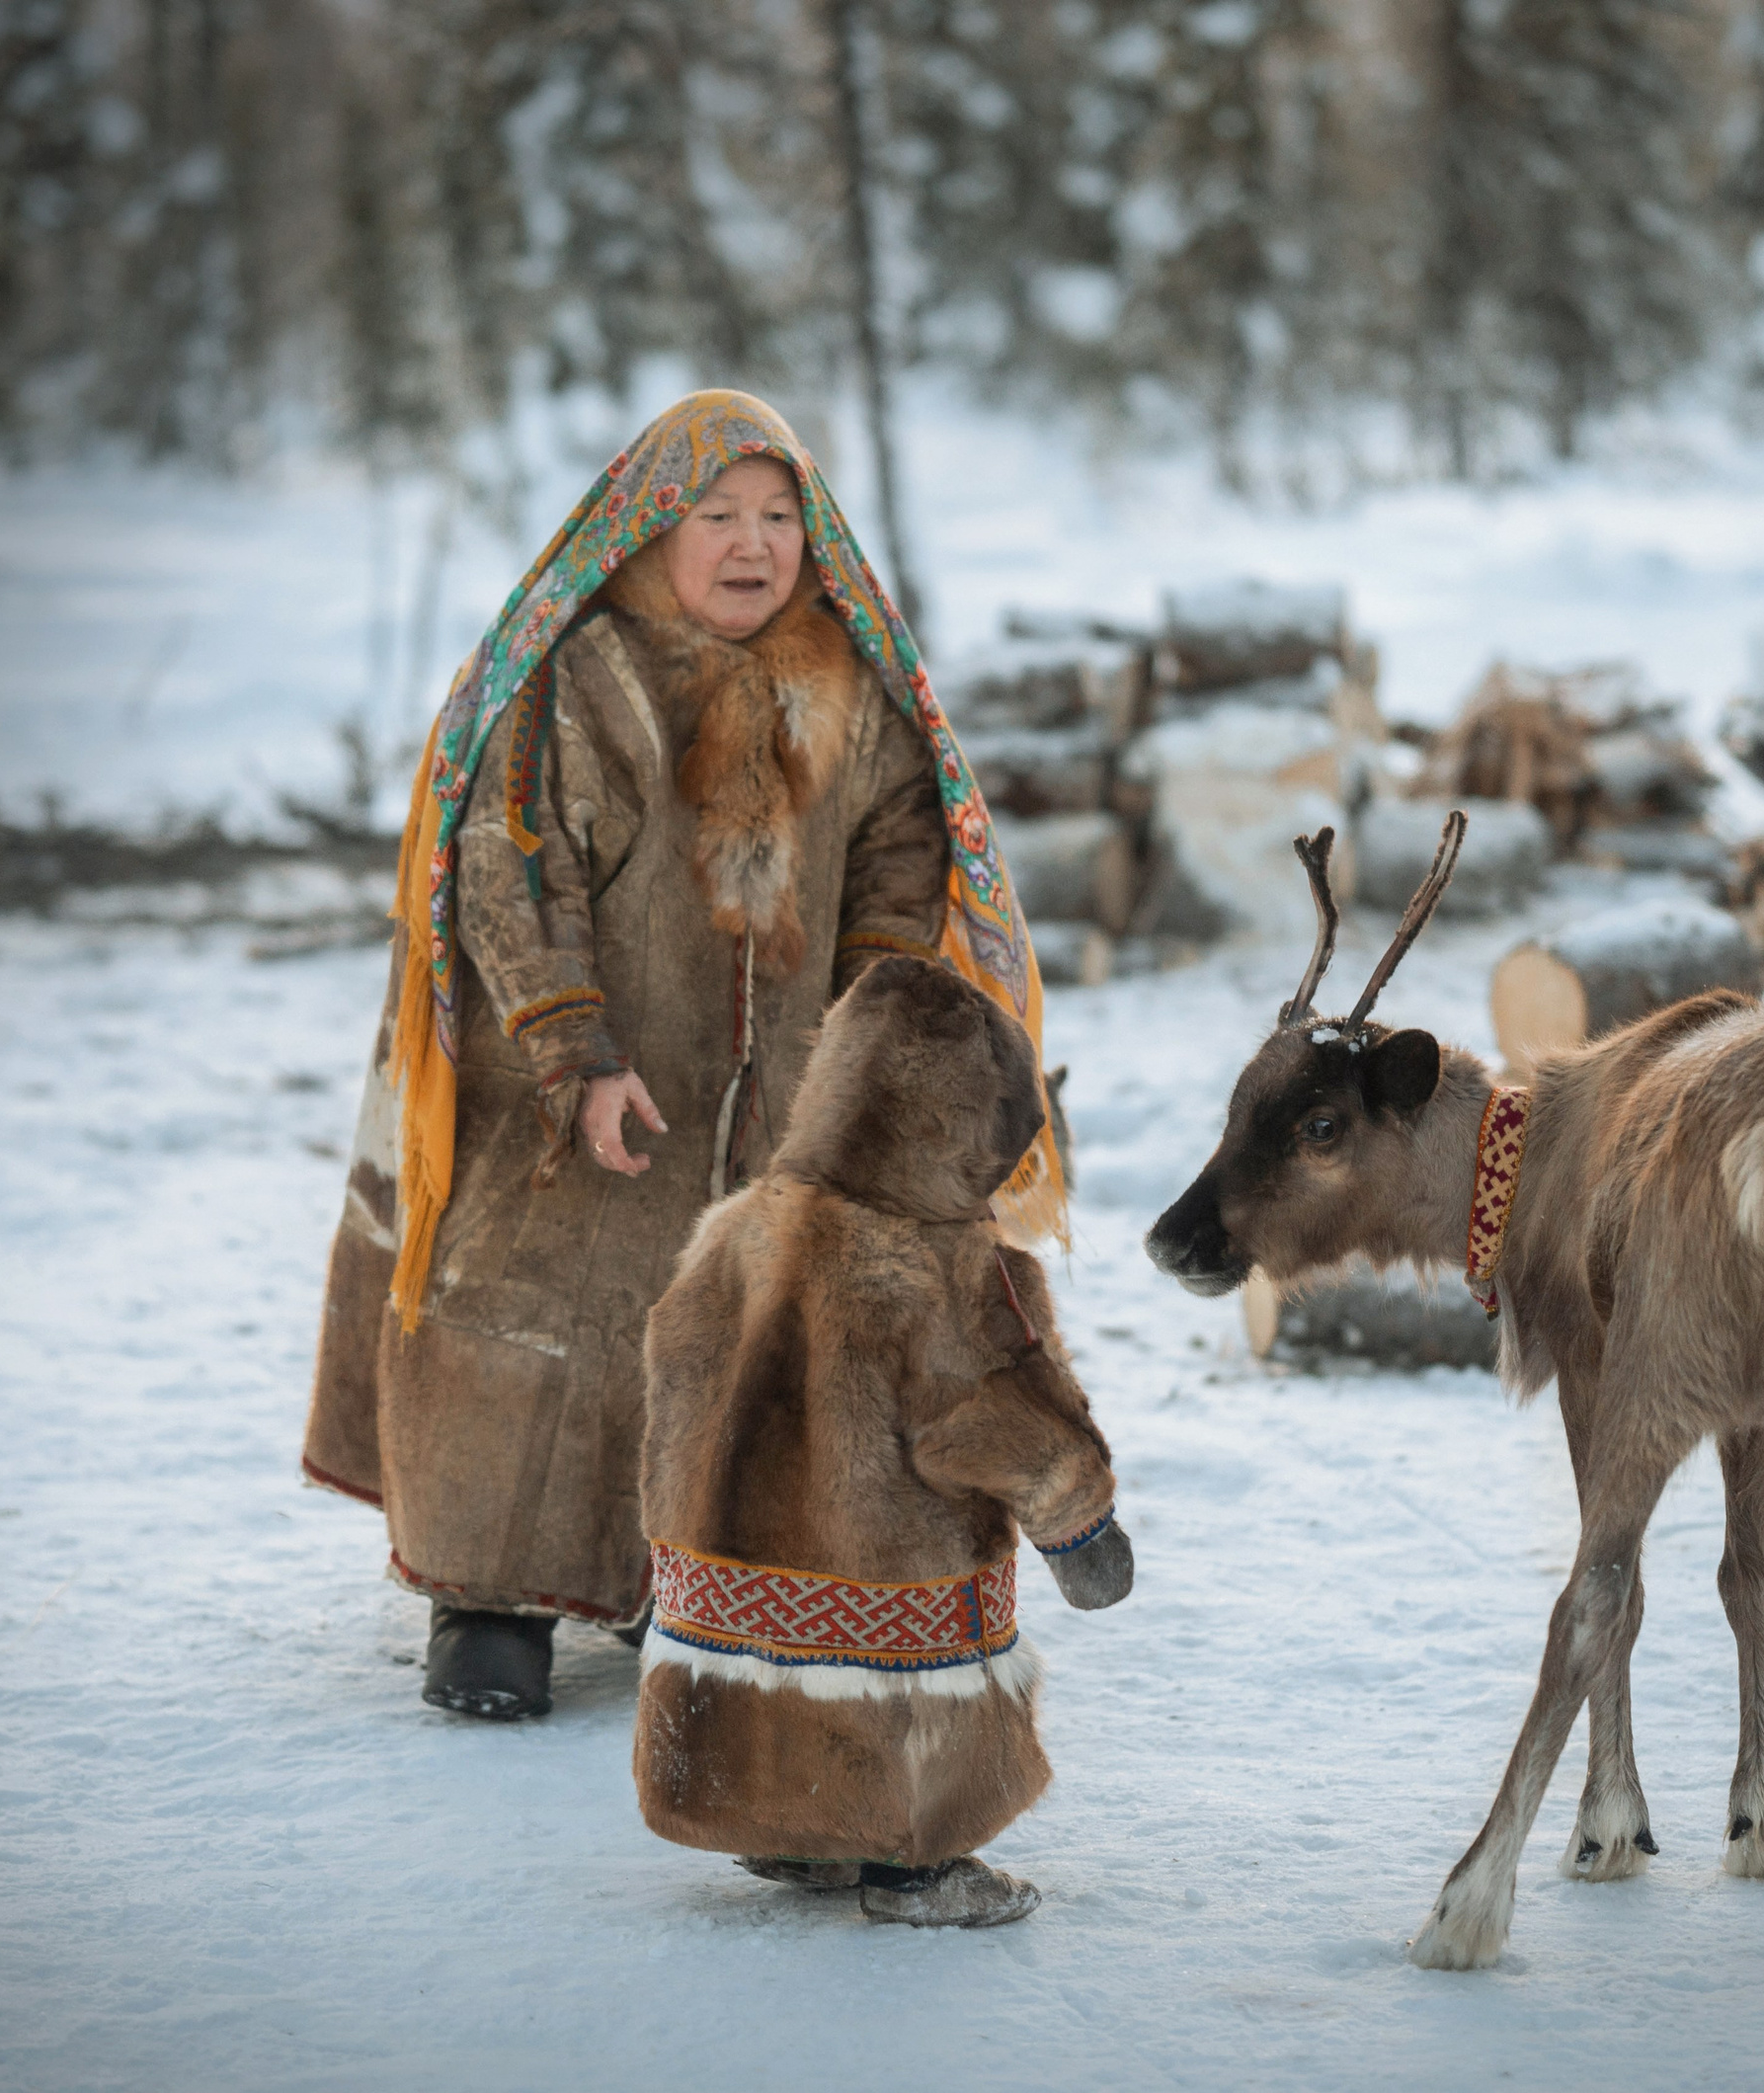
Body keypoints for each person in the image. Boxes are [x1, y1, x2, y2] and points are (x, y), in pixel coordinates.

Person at [300, 391, 1064, 1720]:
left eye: (778, 516)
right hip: (569, 1086)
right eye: (719, 514)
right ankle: (488, 1604)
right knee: (539, 1322)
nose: (753, 543)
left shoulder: (852, 695)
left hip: (771, 1098)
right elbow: (512, 869)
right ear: (655, 526)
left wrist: (865, 1046)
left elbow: (899, 862)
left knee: (728, 1338)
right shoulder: (581, 677)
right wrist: (574, 1049)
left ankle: (682, 1579)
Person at [634, 955, 1133, 1928]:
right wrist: (1081, 1524)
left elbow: (674, 1363)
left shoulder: (735, 1228)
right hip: (885, 1579)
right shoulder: (950, 1266)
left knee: (768, 1667)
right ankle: (914, 1862)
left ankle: (792, 1823)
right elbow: (997, 1418)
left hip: (724, 1584)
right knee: (896, 1689)